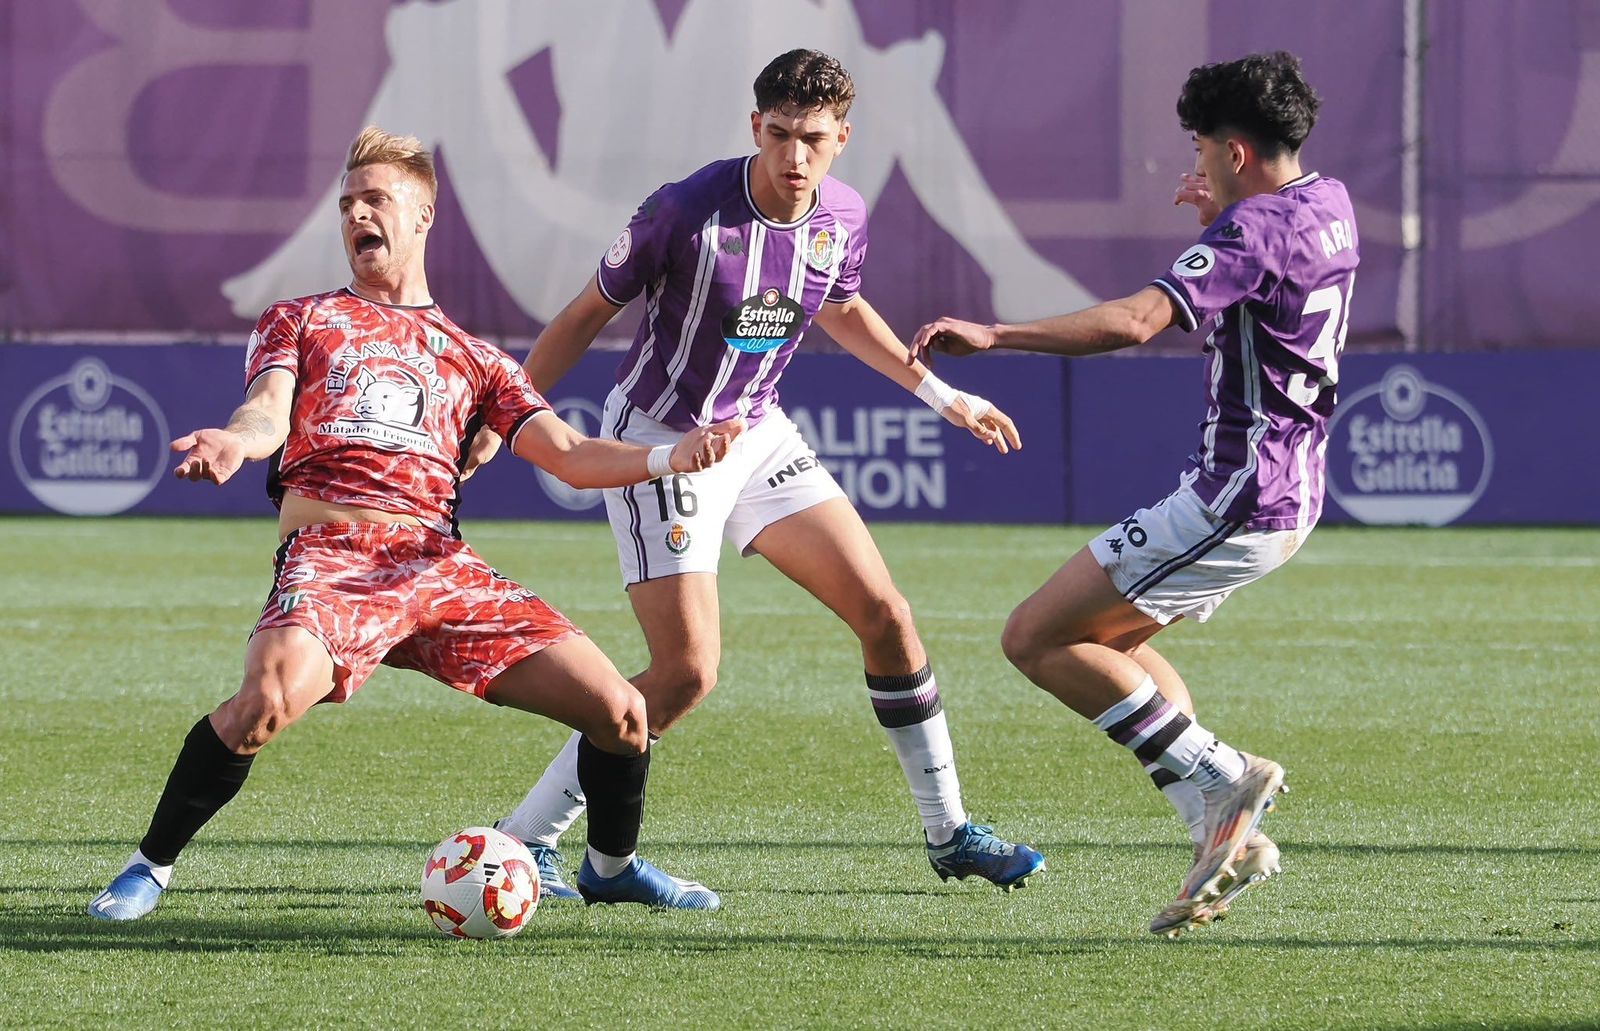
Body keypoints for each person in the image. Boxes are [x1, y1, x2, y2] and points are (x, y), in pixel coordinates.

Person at [87, 126, 744, 921]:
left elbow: (568, 454)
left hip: (436, 564)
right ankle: (148, 867)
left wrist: (672, 459)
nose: (358, 214)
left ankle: (611, 864)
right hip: (335, 557)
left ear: (423, 215)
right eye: (347, 204)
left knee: (624, 713)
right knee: (260, 702)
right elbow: (265, 409)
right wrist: (236, 439)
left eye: (377, 200)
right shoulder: (302, 318)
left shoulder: (477, 357)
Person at [474, 49, 1045, 899]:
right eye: (778, 135)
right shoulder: (684, 211)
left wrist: (940, 393)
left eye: (812, 138)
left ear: (841, 138)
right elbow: (585, 314)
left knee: (886, 613)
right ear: (755, 127)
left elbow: (843, 309)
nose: (793, 156)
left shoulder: (842, 216)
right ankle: (525, 842)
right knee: (685, 673)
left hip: (760, 436)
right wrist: (507, 411)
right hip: (663, 441)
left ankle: (950, 831)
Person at [910, 51, 1355, 938]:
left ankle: (1225, 778)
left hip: (1239, 494)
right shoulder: (1329, 204)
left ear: (1233, 148)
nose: (1191, 164)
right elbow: (1260, 266)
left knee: (1034, 637)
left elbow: (1134, 321)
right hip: (1284, 492)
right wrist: (1226, 209)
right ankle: (1216, 831)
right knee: (1118, 647)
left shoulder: (1250, 229)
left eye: (1199, 147)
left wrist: (995, 332)